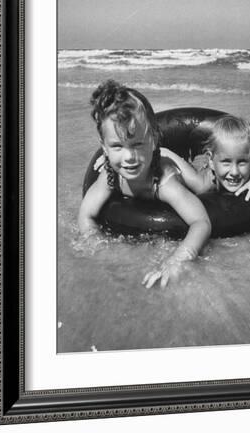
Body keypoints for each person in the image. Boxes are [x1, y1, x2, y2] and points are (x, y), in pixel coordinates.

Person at [78, 80, 211, 288]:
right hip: (151, 156)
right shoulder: (110, 175)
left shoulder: (164, 183)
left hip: (167, 165)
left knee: (202, 186)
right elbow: (86, 213)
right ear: (104, 147)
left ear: (154, 139)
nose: (129, 156)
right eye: (117, 146)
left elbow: (201, 222)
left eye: (138, 144)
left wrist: (177, 260)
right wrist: (92, 240)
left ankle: (180, 156)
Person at [160, 114, 250, 201]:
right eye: (226, 162)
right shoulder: (202, 185)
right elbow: (170, 156)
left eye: (242, 162)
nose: (235, 172)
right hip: (198, 166)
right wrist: (163, 152)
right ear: (212, 161)